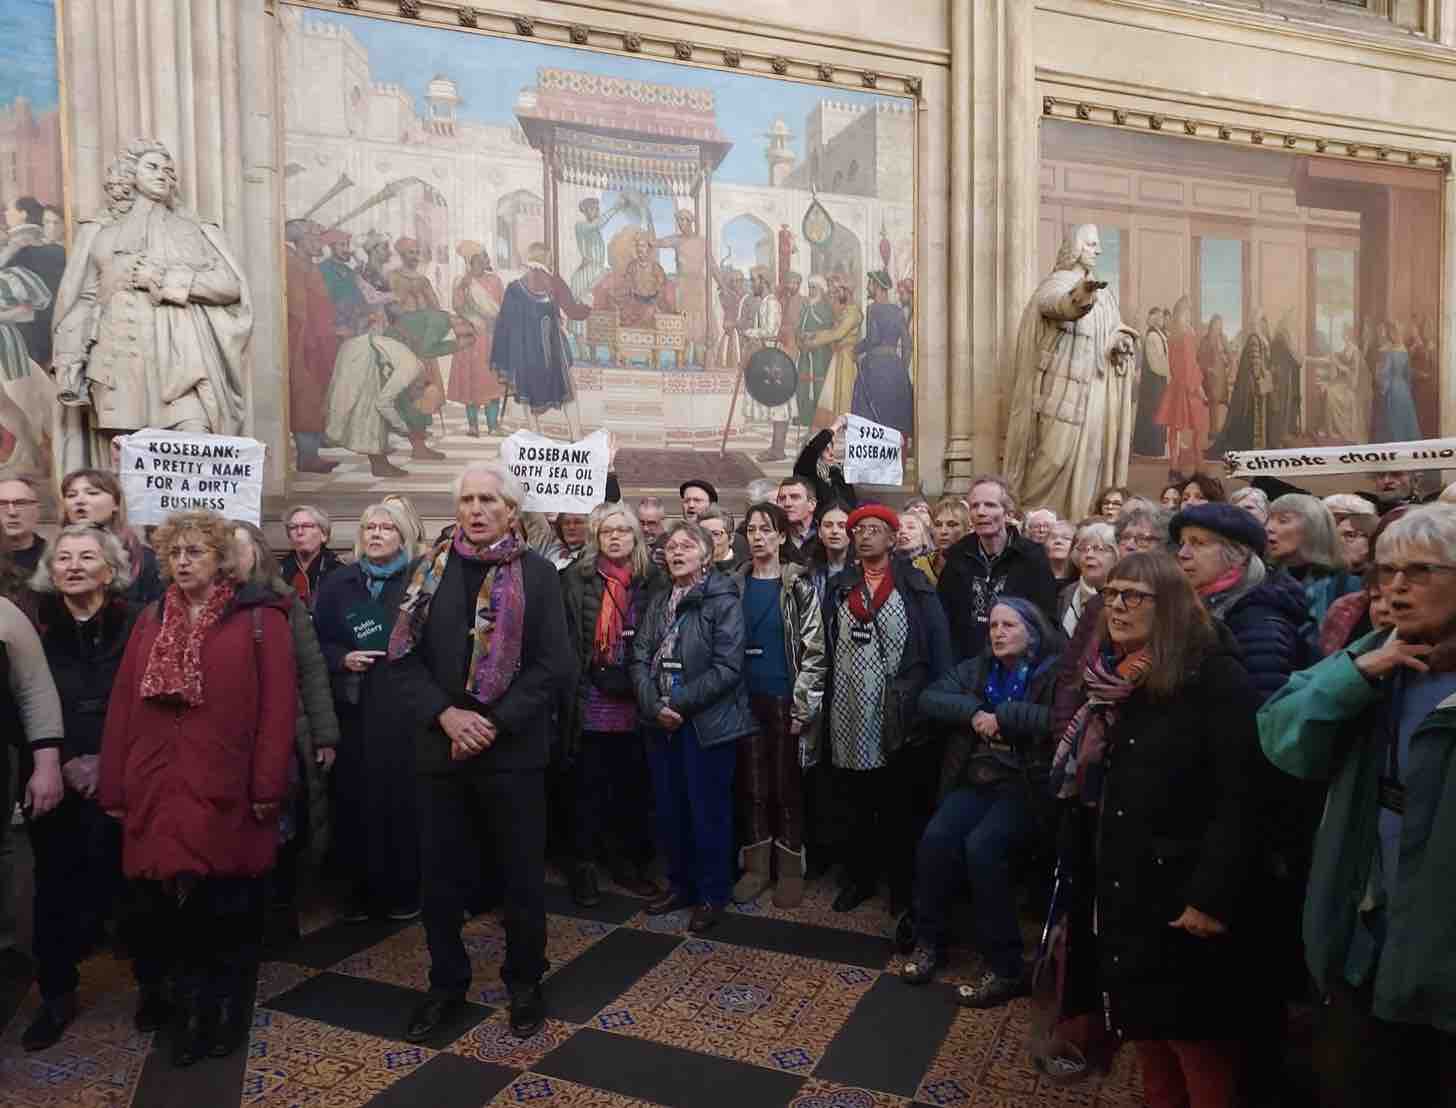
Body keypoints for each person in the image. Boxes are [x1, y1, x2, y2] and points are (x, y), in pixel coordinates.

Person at [1258, 506, 1456, 1108]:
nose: (1395, 588)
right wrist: (1357, 674)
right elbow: (1280, 735)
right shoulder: (1372, 656)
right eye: (1386, 571)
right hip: (1363, 932)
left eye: (1419, 571)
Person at [1051, 552, 1260, 1108]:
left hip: (1183, 887)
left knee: (1195, 1045)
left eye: (1134, 596)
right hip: (1126, 880)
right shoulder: (1117, 679)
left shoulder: (1213, 675)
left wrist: (1210, 897)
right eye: (1111, 594)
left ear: (1168, 605)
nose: (1116, 606)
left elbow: (1241, 796)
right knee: (1145, 1032)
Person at [97, 510, 296, 1066]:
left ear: (222, 560)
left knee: (228, 909)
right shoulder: (150, 618)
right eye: (175, 554)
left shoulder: (261, 620)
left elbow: (278, 711)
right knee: (171, 913)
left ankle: (228, 1011)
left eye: (195, 552)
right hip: (160, 785)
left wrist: (266, 784)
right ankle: (188, 1012)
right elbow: (122, 706)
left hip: (227, 785)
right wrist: (115, 784)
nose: (182, 563)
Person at [386, 463, 574, 1041]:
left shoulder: (540, 576)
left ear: (510, 511)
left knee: (519, 876)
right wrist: (447, 716)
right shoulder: (427, 572)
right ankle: (446, 984)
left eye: (488, 499)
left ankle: (524, 981)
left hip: (511, 751)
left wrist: (491, 723)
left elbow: (553, 665)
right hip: (440, 748)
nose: (475, 509)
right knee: (441, 877)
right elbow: (402, 657)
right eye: (466, 499)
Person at [52, 140, 251, 470]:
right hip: (116, 365)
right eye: (153, 167)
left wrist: (161, 279)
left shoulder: (192, 231)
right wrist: (70, 357)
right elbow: (86, 300)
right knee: (126, 474)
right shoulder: (102, 235)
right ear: (130, 175)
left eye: (169, 170)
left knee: (193, 457)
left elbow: (229, 286)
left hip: (179, 363)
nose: (164, 175)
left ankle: (194, 525)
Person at [902, 598, 1063, 1004]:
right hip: (978, 778)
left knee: (983, 847)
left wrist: (1005, 715)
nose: (998, 633)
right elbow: (930, 697)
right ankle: (929, 942)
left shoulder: (1053, 672)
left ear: (1032, 630)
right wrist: (975, 711)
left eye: (1009, 625)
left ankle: (1006, 966)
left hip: (1026, 785)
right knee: (937, 839)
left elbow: (1059, 719)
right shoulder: (979, 668)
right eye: (993, 625)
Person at [16, 529, 131, 1051]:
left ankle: (156, 987)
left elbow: (150, 702)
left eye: (87, 556)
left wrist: (108, 762)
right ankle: (57, 997)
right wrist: (57, 761)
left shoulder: (138, 623)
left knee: (137, 885)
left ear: (110, 568)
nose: (73, 566)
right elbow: (19, 701)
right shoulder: (33, 624)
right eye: (63, 557)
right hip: (53, 775)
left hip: (124, 772)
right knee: (55, 891)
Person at [823, 504, 952, 915]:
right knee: (855, 798)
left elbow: (938, 648)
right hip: (848, 706)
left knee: (898, 802)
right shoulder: (840, 585)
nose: (865, 536)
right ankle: (858, 878)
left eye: (875, 529)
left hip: (897, 707)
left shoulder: (914, 585)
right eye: (859, 530)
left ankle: (901, 885)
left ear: (893, 539)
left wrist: (932, 702)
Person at [630, 521, 753, 933]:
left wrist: (677, 704)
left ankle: (711, 894)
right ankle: (680, 885)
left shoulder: (724, 600)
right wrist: (654, 705)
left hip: (707, 724)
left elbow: (728, 668)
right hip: (661, 724)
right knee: (670, 810)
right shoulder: (661, 598)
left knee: (708, 812)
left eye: (686, 546)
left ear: (707, 555)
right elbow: (640, 655)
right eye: (671, 547)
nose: (676, 552)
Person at [314, 502, 424, 926]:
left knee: (400, 803)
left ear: (402, 535)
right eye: (369, 526)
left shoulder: (420, 580)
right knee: (354, 803)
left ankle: (402, 890)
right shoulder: (341, 582)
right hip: (354, 708)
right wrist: (343, 658)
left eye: (386, 527)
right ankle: (357, 893)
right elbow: (315, 643)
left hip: (402, 710)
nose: (376, 533)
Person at [231, 520, 340, 941]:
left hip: (285, 731)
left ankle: (280, 909)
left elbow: (311, 670)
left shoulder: (285, 603)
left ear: (257, 552)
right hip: (233, 737)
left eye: (240, 548)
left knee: (285, 825)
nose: (233, 557)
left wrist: (325, 736)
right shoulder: (209, 603)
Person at [560, 504, 662, 906]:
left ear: (635, 536)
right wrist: (593, 673)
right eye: (607, 532)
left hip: (635, 700)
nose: (616, 537)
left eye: (623, 531)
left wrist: (635, 679)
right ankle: (583, 867)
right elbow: (566, 639)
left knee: (629, 790)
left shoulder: (652, 580)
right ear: (596, 538)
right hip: (590, 699)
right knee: (586, 789)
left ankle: (625, 864)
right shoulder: (575, 578)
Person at [1002, 224, 1140, 520]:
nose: (1098, 251)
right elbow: (1057, 305)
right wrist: (1080, 297)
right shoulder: (1059, 282)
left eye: (1097, 245)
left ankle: (1080, 519)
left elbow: (1113, 329)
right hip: (1062, 392)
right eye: (1091, 244)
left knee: (1091, 457)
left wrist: (1121, 341)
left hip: (1096, 391)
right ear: (1075, 248)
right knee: (1052, 458)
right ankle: (1032, 516)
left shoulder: (1105, 292)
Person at [730, 503, 826, 907]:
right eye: (751, 529)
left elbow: (816, 651)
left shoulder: (798, 585)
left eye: (766, 529)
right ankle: (755, 867)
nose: (758, 536)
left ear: (782, 536)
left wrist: (804, 705)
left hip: (785, 697)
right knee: (752, 783)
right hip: (742, 698)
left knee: (787, 785)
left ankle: (789, 869)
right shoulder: (733, 584)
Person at [937, 476, 1057, 661]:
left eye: (990, 505)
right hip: (965, 665)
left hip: (1017, 663)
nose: (981, 512)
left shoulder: (1032, 558)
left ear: (1008, 513)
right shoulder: (957, 556)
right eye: (975, 506)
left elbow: (1044, 620)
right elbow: (944, 617)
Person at [60, 468, 163, 604]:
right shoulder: (51, 556)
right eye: (71, 495)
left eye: (92, 493)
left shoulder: (146, 559)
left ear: (116, 503)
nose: (79, 500)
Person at [1265, 493, 1361, 625]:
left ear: (1313, 528)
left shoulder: (1347, 585)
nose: (1269, 528)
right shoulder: (1262, 580)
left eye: (1283, 521)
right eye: (1268, 520)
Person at [448, 243, 506, 437]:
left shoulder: (495, 281)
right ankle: (473, 426)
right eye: (482, 256)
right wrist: (474, 319)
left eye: (486, 255)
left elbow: (502, 309)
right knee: (471, 381)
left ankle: (493, 425)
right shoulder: (462, 282)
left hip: (491, 338)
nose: (486, 259)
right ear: (471, 261)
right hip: (471, 339)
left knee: (492, 381)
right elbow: (457, 306)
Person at [851, 270, 914, 438]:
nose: (867, 287)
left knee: (868, 414)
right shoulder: (897, 311)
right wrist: (901, 368)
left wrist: (856, 349)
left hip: (875, 367)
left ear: (877, 286)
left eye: (870, 284)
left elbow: (873, 339)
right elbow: (907, 344)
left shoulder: (873, 309)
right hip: (895, 366)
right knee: (893, 416)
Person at [1155, 297, 1210, 473]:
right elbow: (1190, 364)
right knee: (1200, 426)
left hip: (1176, 386)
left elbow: (1173, 364)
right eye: (1188, 310)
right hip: (1189, 386)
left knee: (1174, 429)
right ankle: (1198, 466)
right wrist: (1199, 388)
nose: (1190, 314)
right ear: (1183, 312)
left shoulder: (1172, 335)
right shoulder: (1187, 334)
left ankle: (1174, 468)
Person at [279, 504, 342, 610]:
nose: (299, 532)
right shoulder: (278, 572)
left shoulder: (339, 571)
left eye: (306, 526)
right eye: (293, 527)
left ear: (324, 535)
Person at [1058, 520, 1116, 637]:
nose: (1088, 555)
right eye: (1084, 549)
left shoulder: (1120, 598)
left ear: (1116, 555)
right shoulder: (1066, 594)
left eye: (1098, 548)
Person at [1374, 319, 1421, 442]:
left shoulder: (1391, 351)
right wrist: (1408, 388)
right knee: (1405, 416)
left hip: (1393, 388)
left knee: (1394, 418)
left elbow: (1386, 372)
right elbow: (1407, 373)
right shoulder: (1404, 349)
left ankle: (1395, 442)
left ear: (1393, 334)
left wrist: (1379, 376)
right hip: (1404, 389)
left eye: (1391, 333)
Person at [1133, 307, 1170, 457]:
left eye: (1161, 317)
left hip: (1158, 382)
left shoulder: (1158, 335)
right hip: (1153, 384)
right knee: (1153, 414)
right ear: (1153, 318)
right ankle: (1150, 448)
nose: (1162, 319)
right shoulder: (1152, 336)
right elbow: (1156, 363)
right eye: (1159, 317)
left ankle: (1155, 447)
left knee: (1157, 413)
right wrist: (1170, 370)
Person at [804, 500, 853, 603]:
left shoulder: (863, 572)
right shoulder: (807, 572)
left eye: (842, 526)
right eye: (828, 525)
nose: (834, 531)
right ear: (820, 533)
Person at [0, 473, 45, 573]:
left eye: (21, 503)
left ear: (37, 510)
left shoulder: (54, 557)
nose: (12, 512)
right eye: (2, 504)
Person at [776, 477, 818, 558]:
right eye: (782, 499)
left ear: (812, 505)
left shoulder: (825, 535)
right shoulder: (772, 538)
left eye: (795, 497)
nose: (787, 504)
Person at [930, 498, 970, 580]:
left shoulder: (978, 567)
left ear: (967, 529)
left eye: (952, 524)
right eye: (938, 525)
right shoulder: (919, 566)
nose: (943, 531)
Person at [896, 512, 938, 584]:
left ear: (924, 535)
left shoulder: (936, 561)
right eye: (898, 528)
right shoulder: (888, 565)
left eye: (911, 527)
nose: (902, 531)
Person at [697, 507, 738, 575]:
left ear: (731, 538)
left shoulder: (744, 570)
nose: (709, 539)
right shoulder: (690, 569)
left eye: (716, 534)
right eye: (703, 534)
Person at [1045, 520, 1077, 588]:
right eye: (1053, 537)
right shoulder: (1033, 577)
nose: (1058, 541)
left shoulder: (1082, 579)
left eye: (1066, 538)